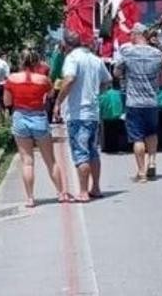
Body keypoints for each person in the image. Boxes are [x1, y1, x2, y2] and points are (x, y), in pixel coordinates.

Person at [4, 48, 72, 207]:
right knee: (50, 160)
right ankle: (61, 193)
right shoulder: (43, 80)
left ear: (20, 61)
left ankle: (30, 198)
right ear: (36, 62)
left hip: (20, 117)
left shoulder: (12, 79)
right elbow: (49, 95)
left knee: (27, 161)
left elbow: (7, 102)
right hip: (39, 117)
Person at [54, 30, 111, 202]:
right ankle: (96, 187)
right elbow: (106, 81)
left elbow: (70, 79)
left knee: (81, 153)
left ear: (66, 44)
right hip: (93, 113)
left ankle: (83, 191)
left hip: (78, 113)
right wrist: (95, 94)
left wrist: (58, 102)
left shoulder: (72, 58)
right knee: (93, 151)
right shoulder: (95, 59)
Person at [114, 23, 162, 183]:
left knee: (137, 138)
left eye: (131, 34)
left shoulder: (127, 52)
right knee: (151, 133)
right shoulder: (157, 54)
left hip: (134, 102)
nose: (130, 37)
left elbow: (117, 72)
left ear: (137, 35)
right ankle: (152, 161)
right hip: (151, 101)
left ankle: (142, 173)